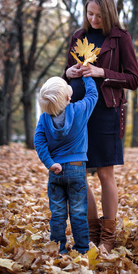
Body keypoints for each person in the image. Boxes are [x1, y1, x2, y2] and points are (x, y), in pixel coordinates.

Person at [63, 0, 138, 252]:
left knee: (106, 173)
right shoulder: (78, 36)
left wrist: (102, 72)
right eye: (89, 13)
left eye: (98, 15)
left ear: (109, 13)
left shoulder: (121, 38)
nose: (93, 19)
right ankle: (92, 233)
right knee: (78, 172)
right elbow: (66, 75)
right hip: (78, 113)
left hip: (106, 113)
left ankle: (108, 238)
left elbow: (133, 79)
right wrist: (69, 72)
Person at [34, 75, 98, 254]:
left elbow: (39, 143)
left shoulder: (44, 119)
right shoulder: (78, 110)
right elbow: (93, 96)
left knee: (58, 214)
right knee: (78, 213)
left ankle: (59, 249)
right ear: (69, 98)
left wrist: (49, 163)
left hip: (56, 171)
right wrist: (88, 77)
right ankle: (82, 249)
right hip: (77, 169)